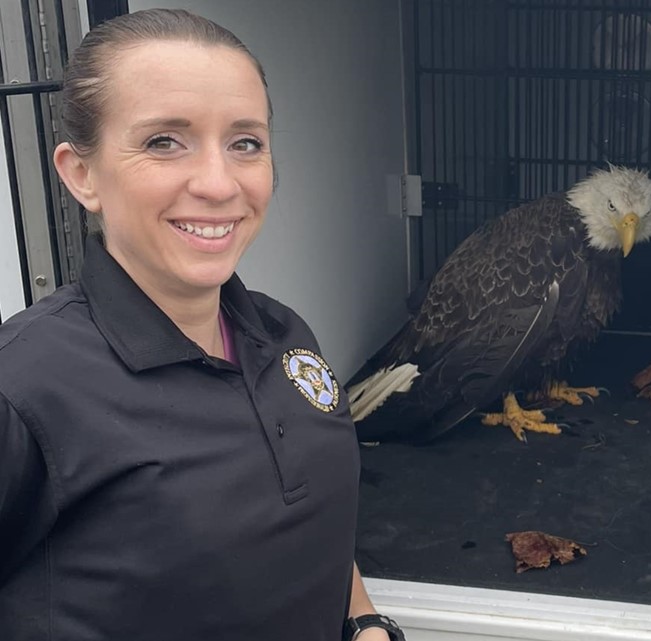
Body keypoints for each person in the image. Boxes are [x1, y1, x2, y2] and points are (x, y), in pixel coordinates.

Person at [0, 9, 401, 641]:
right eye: (164, 141)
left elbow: (316, 526)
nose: (219, 184)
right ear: (81, 173)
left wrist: (366, 623)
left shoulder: (284, 333)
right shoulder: (23, 387)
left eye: (246, 142)